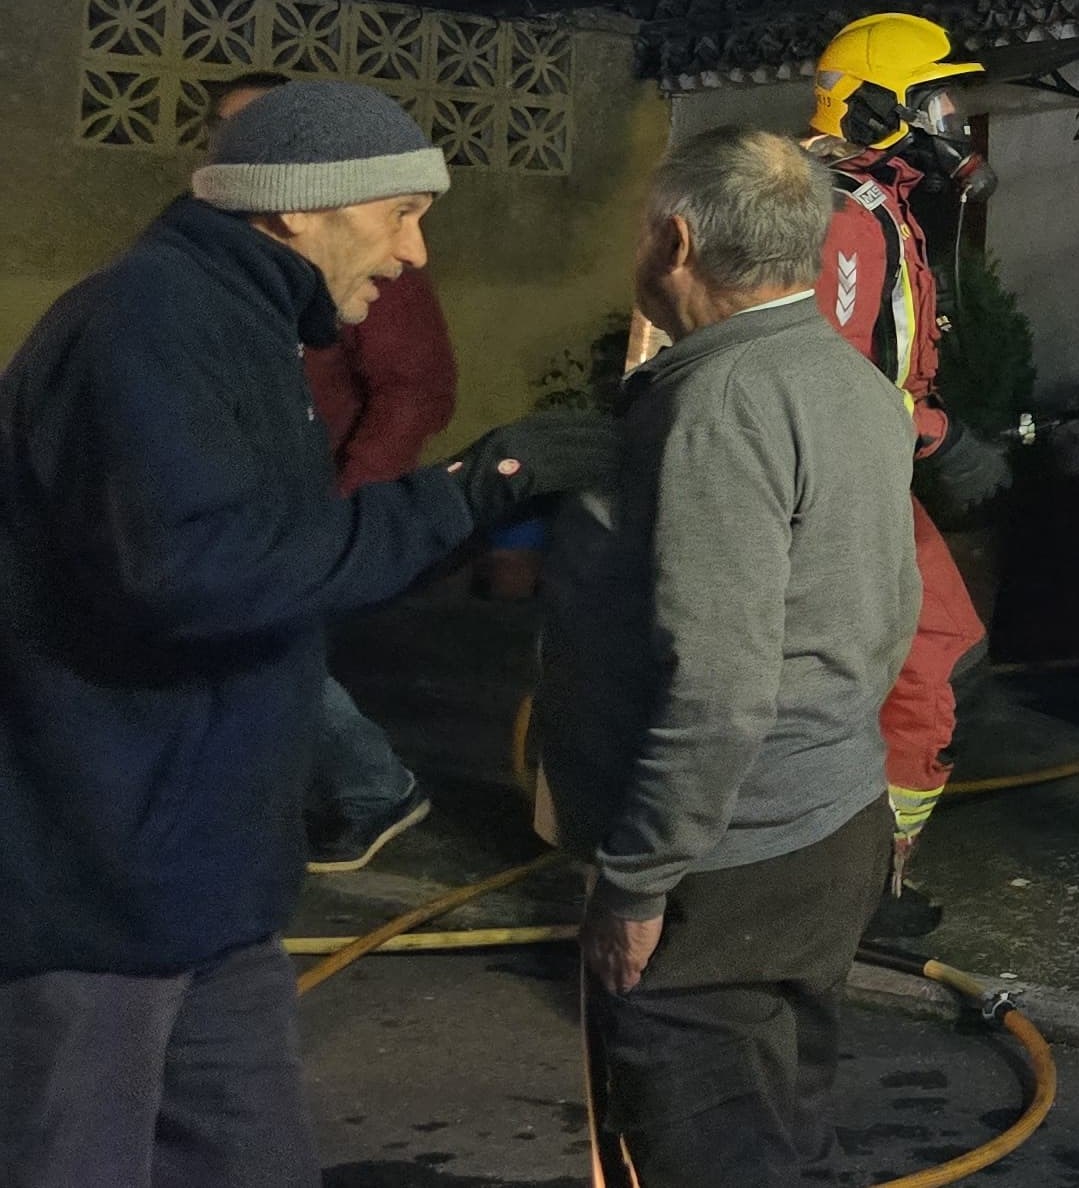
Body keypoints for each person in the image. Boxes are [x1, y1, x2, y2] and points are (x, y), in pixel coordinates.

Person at [0, 82, 583, 1188]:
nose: (414, 252)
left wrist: (463, 506)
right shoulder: (146, 324)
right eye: (400, 212)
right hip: (99, 888)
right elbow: (199, 570)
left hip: (211, 885)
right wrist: (469, 489)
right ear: (292, 210)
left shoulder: (241, 326)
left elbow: (285, 551)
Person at [538, 127, 920, 1186]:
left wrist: (638, 880)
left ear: (675, 237)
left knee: (711, 1144)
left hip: (729, 857)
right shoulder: (851, 380)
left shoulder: (716, 404)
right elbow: (896, 608)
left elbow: (715, 682)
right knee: (786, 1128)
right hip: (830, 823)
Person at [203, 72, 460, 875]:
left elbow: (415, 385)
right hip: (259, 495)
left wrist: (356, 503)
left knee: (263, 640)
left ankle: (370, 786)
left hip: (313, 496)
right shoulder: (208, 273)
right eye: (226, 128)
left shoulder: (369, 264)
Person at [800, 11, 1008, 941]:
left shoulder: (870, 204)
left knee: (935, 655)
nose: (954, 117)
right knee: (922, 666)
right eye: (937, 97)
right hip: (839, 482)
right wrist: (939, 434)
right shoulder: (844, 212)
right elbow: (831, 373)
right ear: (882, 106)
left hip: (865, 475)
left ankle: (860, 876)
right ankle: (852, 884)